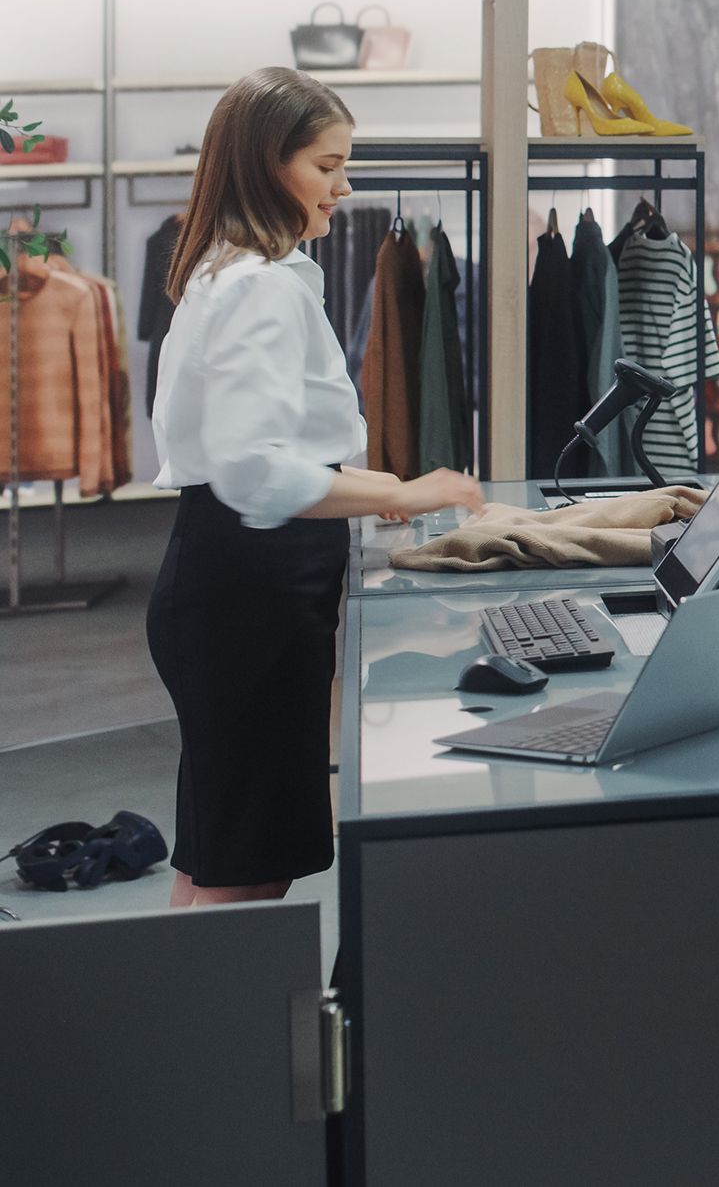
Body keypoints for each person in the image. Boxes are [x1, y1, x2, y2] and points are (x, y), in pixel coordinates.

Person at [146, 67, 482, 908]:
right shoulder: (258, 289)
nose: (345, 186)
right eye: (327, 166)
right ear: (269, 164)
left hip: (231, 581)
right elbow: (256, 471)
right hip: (249, 595)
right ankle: (228, 1001)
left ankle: (194, 997)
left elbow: (280, 451)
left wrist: (395, 484)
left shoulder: (237, 272)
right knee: (248, 867)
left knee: (218, 853)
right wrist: (406, 493)